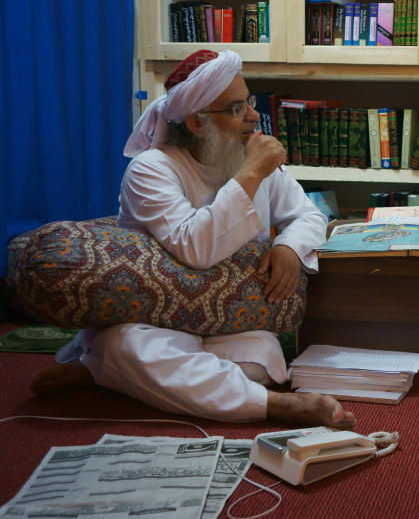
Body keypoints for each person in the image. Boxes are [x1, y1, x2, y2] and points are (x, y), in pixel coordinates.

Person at [30, 49, 356, 429]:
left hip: (228, 320)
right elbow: (197, 248)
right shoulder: (151, 170)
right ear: (197, 123)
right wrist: (250, 173)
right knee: (128, 347)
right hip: (154, 322)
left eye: (250, 102)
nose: (254, 116)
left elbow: (309, 215)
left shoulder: (251, 158)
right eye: (237, 109)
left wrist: (289, 246)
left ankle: (106, 375)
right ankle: (277, 407)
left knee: (259, 360)